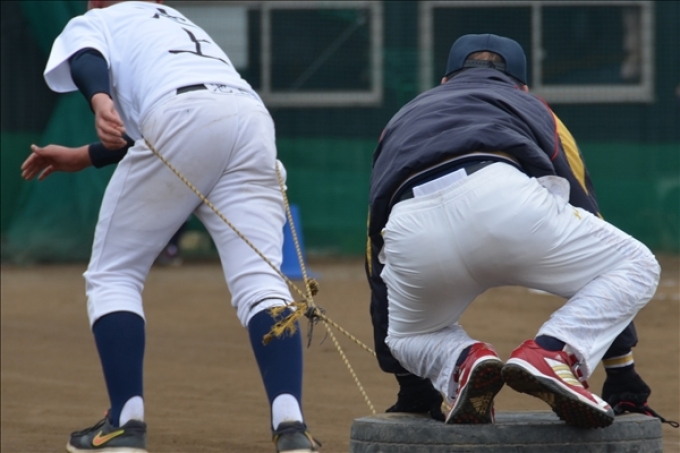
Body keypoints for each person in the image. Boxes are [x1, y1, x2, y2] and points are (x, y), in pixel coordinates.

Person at [20, 1, 320, 452]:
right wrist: (83, 156)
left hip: (183, 115)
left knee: (114, 274)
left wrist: (99, 100)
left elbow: (86, 58)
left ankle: (125, 423)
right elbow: (176, 122)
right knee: (262, 281)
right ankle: (291, 426)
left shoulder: (101, 18)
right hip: (251, 120)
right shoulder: (175, 21)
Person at [365, 33, 668, 429]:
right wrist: (621, 370)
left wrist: (411, 386)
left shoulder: (401, 119)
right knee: (637, 264)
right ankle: (554, 352)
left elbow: (375, 244)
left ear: (444, 81)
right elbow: (586, 210)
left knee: (406, 336)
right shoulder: (534, 107)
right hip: (501, 198)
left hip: (411, 225)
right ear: (522, 86)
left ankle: (459, 361)